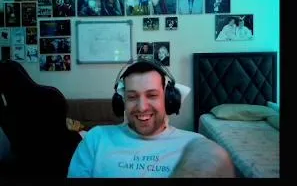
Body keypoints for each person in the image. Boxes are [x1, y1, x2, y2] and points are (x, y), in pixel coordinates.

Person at [67, 59, 234, 178]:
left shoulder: (197, 146)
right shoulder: (96, 139)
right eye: (132, 97)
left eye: (152, 95)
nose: (141, 107)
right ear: (122, 101)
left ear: (168, 99)